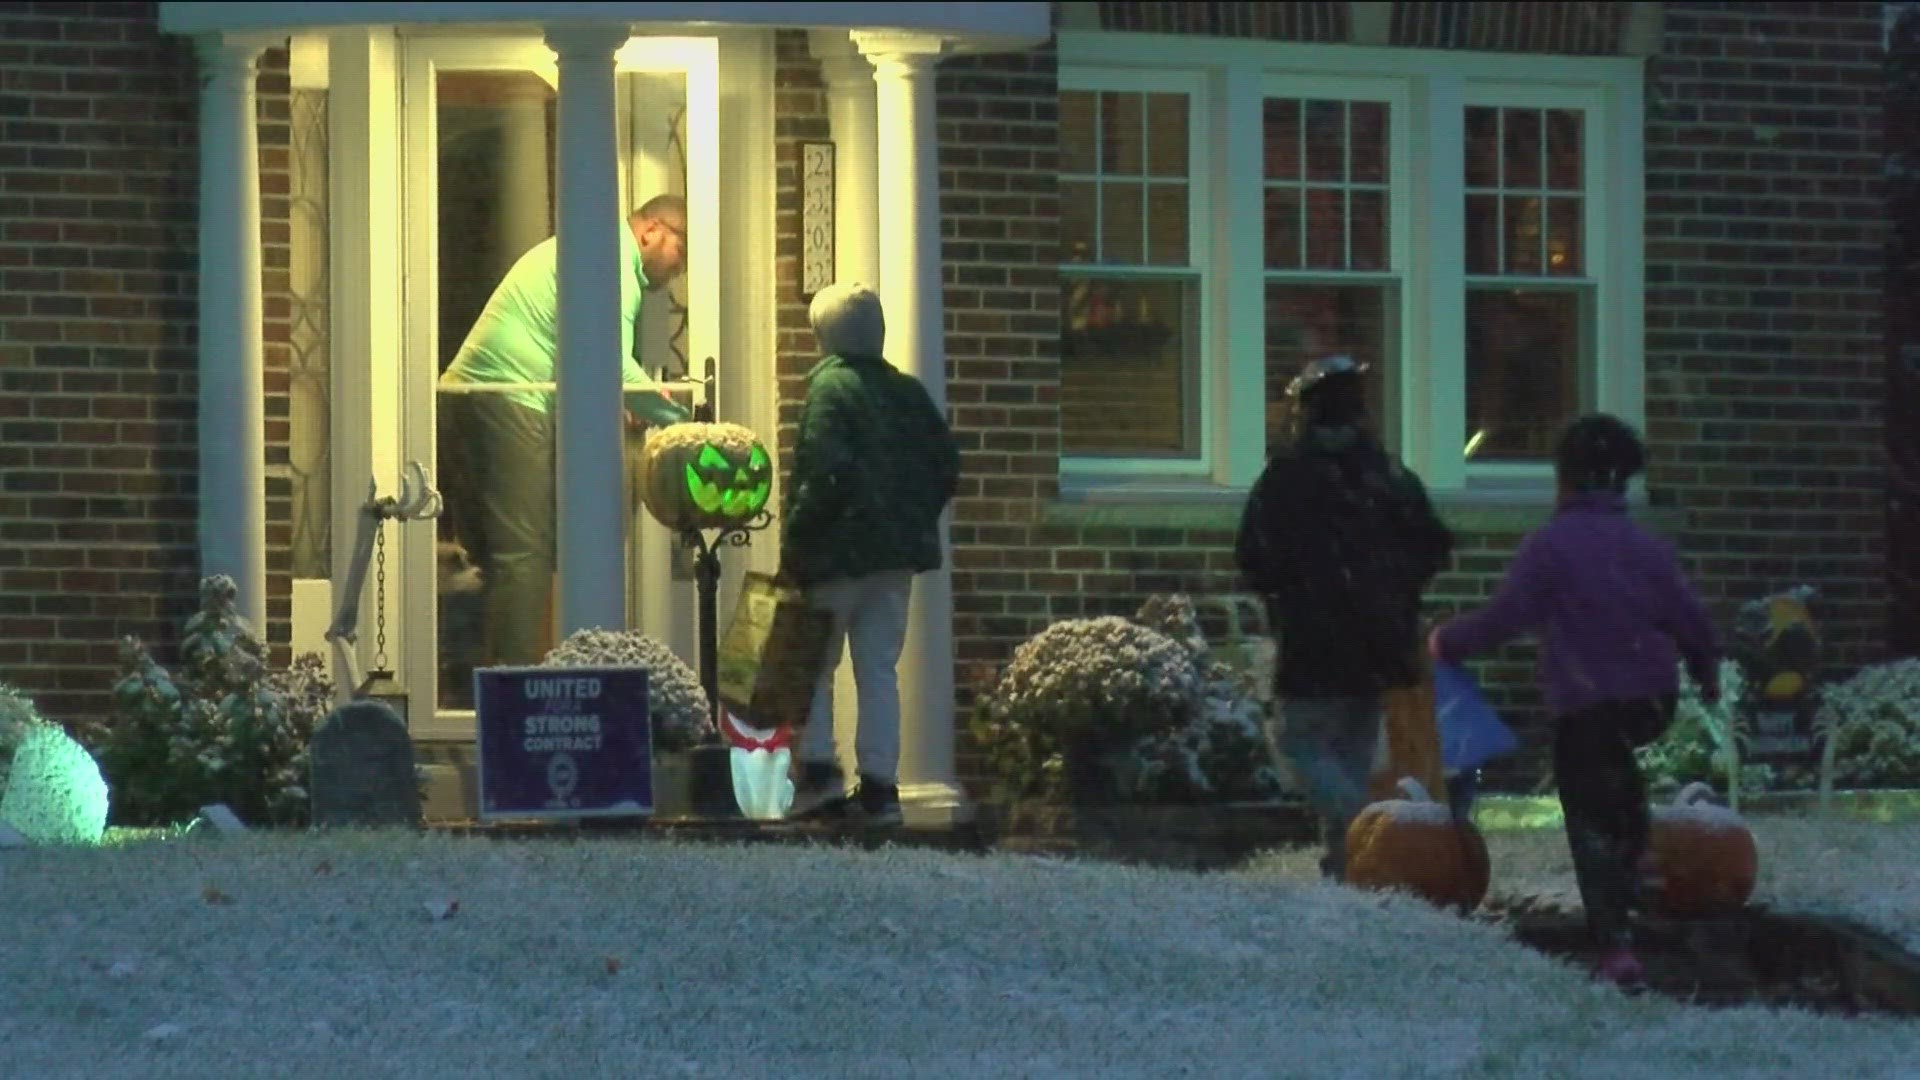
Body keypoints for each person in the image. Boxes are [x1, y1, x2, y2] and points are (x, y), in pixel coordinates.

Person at [1428, 413, 1722, 990]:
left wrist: (1447, 642)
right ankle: (1636, 846)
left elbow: (1506, 617)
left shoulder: (1552, 546)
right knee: (1614, 766)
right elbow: (1690, 617)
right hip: (1649, 700)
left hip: (1588, 699)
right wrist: (1706, 669)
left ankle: (1615, 940)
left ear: (1564, 480)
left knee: (1587, 811)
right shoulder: (1646, 547)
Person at [438, 194, 693, 667]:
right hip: (508, 394)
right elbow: (608, 361)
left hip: (479, 395)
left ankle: (494, 684)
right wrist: (688, 423)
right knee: (523, 560)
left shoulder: (593, 250)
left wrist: (625, 395)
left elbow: (591, 355)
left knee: (508, 559)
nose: (679, 272)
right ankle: (514, 701)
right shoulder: (611, 260)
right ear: (652, 231)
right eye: (682, 252)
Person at [1234, 355, 1455, 881]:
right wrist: (1393, 595)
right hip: (1380, 641)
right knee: (1352, 750)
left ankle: (1360, 829)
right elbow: (1434, 546)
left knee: (1300, 745)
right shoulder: (1390, 476)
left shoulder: (1287, 477)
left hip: (1313, 639)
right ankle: (1347, 865)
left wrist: (1292, 592)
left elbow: (1255, 556)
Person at [780, 282, 961, 827]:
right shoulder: (908, 393)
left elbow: (822, 473)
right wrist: (908, 520)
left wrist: (797, 540)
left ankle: (818, 779)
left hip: (836, 556)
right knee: (879, 670)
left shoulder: (830, 391)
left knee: (815, 666)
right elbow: (945, 467)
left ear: (824, 336)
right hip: (895, 559)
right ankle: (881, 788)